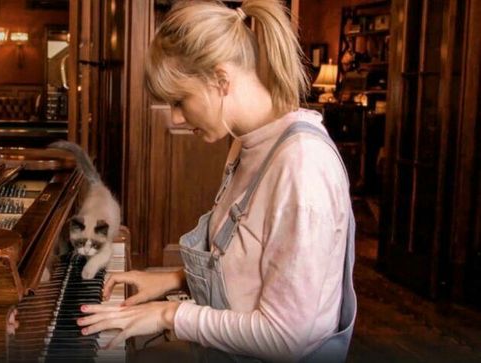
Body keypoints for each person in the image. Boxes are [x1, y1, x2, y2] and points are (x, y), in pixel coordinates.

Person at [76, 0, 357, 362]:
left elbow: (287, 339)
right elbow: (247, 264)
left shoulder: (302, 166)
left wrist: (168, 314)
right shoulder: (246, 143)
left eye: (179, 100)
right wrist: (174, 280)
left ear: (221, 80)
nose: (176, 119)